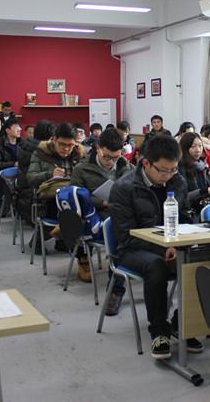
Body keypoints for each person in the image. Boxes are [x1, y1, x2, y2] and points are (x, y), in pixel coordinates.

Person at [109, 134, 201, 359]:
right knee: (157, 266)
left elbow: (185, 217)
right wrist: (162, 248)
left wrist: (185, 242)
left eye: (173, 169)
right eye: (163, 170)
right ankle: (159, 331)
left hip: (172, 244)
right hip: (132, 250)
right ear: (146, 163)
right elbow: (125, 236)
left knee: (202, 259)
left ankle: (181, 322)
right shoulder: (124, 188)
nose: (168, 175)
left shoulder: (177, 181)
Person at [70, 127, 133, 299]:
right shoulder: (82, 169)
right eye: (106, 157)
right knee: (120, 233)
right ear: (97, 148)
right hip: (96, 217)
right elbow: (76, 197)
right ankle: (115, 290)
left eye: (115, 157)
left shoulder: (127, 167)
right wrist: (102, 202)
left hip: (122, 213)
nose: (110, 162)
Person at [17, 120, 54, 231]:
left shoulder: (25, 145)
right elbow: (35, 177)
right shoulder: (40, 152)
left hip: (25, 188)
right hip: (32, 191)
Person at [178, 132, 210, 214]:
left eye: (200, 146)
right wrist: (203, 192)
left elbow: (207, 188)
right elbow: (182, 197)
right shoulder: (180, 167)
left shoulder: (203, 165)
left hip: (203, 208)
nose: (198, 150)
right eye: (193, 146)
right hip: (188, 212)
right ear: (185, 148)